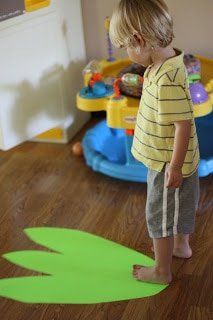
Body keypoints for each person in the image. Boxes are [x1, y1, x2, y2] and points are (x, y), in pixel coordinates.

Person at [109, 0, 200, 284]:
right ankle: (181, 246)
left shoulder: (166, 80)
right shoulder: (168, 62)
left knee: (159, 214)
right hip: (176, 159)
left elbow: (182, 125)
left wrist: (174, 166)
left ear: (138, 39)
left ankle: (161, 271)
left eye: (127, 46)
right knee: (181, 205)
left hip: (166, 163)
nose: (128, 53)